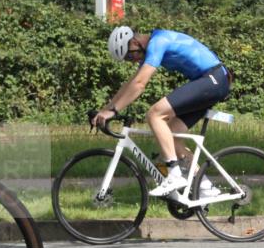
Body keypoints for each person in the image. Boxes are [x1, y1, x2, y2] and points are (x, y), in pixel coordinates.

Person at [92, 26, 231, 198]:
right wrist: (106, 110)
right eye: (128, 60)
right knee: (172, 136)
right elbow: (131, 83)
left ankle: (174, 174)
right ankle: (207, 188)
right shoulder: (150, 46)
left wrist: (113, 111)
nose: (132, 61)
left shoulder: (159, 41)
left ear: (135, 42)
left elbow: (140, 84)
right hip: (209, 81)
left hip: (213, 79)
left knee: (154, 114)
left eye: (130, 55)